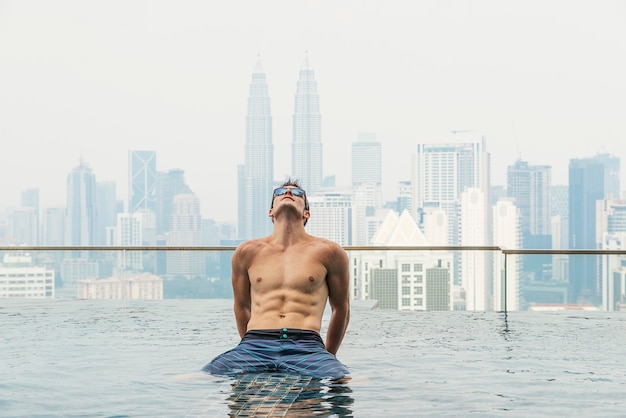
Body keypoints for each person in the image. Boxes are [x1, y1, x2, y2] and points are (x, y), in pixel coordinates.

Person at [203, 179, 350, 379]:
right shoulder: (247, 252)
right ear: (270, 211)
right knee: (196, 379)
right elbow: (241, 306)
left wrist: (328, 355)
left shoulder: (329, 252)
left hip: (306, 344)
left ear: (306, 213)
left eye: (297, 193)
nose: (288, 192)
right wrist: (249, 344)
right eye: (280, 191)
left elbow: (341, 308)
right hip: (255, 343)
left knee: (347, 381)